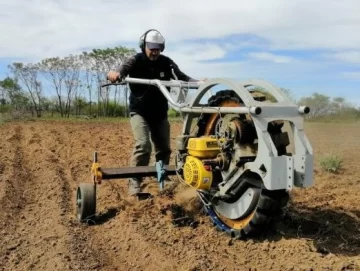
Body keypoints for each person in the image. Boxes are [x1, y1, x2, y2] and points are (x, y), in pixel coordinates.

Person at [107, 29, 201, 196]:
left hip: (160, 113)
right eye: (151, 48)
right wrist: (115, 74)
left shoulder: (166, 62)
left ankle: (161, 176)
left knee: (164, 148)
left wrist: (199, 82)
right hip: (140, 112)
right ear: (144, 46)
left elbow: (181, 77)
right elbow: (122, 70)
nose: (155, 51)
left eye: (158, 48)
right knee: (143, 145)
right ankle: (135, 180)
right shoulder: (135, 60)